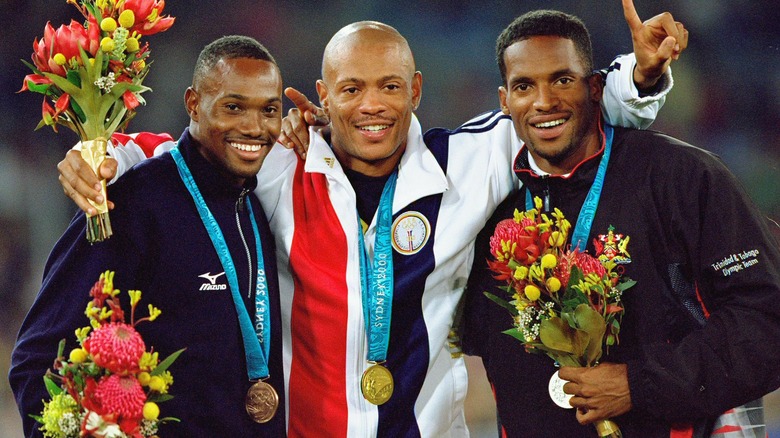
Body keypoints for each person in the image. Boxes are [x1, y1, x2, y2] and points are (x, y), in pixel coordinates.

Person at [54, 4, 685, 436]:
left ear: (415, 89)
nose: (371, 106)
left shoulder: (467, 162)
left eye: (388, 87)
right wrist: (103, 154)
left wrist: (643, 74)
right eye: (351, 89)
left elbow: (561, 106)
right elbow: (187, 147)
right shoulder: (279, 164)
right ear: (322, 96)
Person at [460, 8, 780, 438]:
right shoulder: (486, 215)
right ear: (504, 101)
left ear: (595, 88)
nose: (544, 101)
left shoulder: (680, 177)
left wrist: (638, 384)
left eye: (562, 79)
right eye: (524, 86)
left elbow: (766, 324)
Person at [10, 36, 287, 437]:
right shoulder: (131, 203)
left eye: (270, 111)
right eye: (233, 107)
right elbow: (38, 359)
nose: (253, 126)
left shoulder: (255, 203)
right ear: (193, 103)